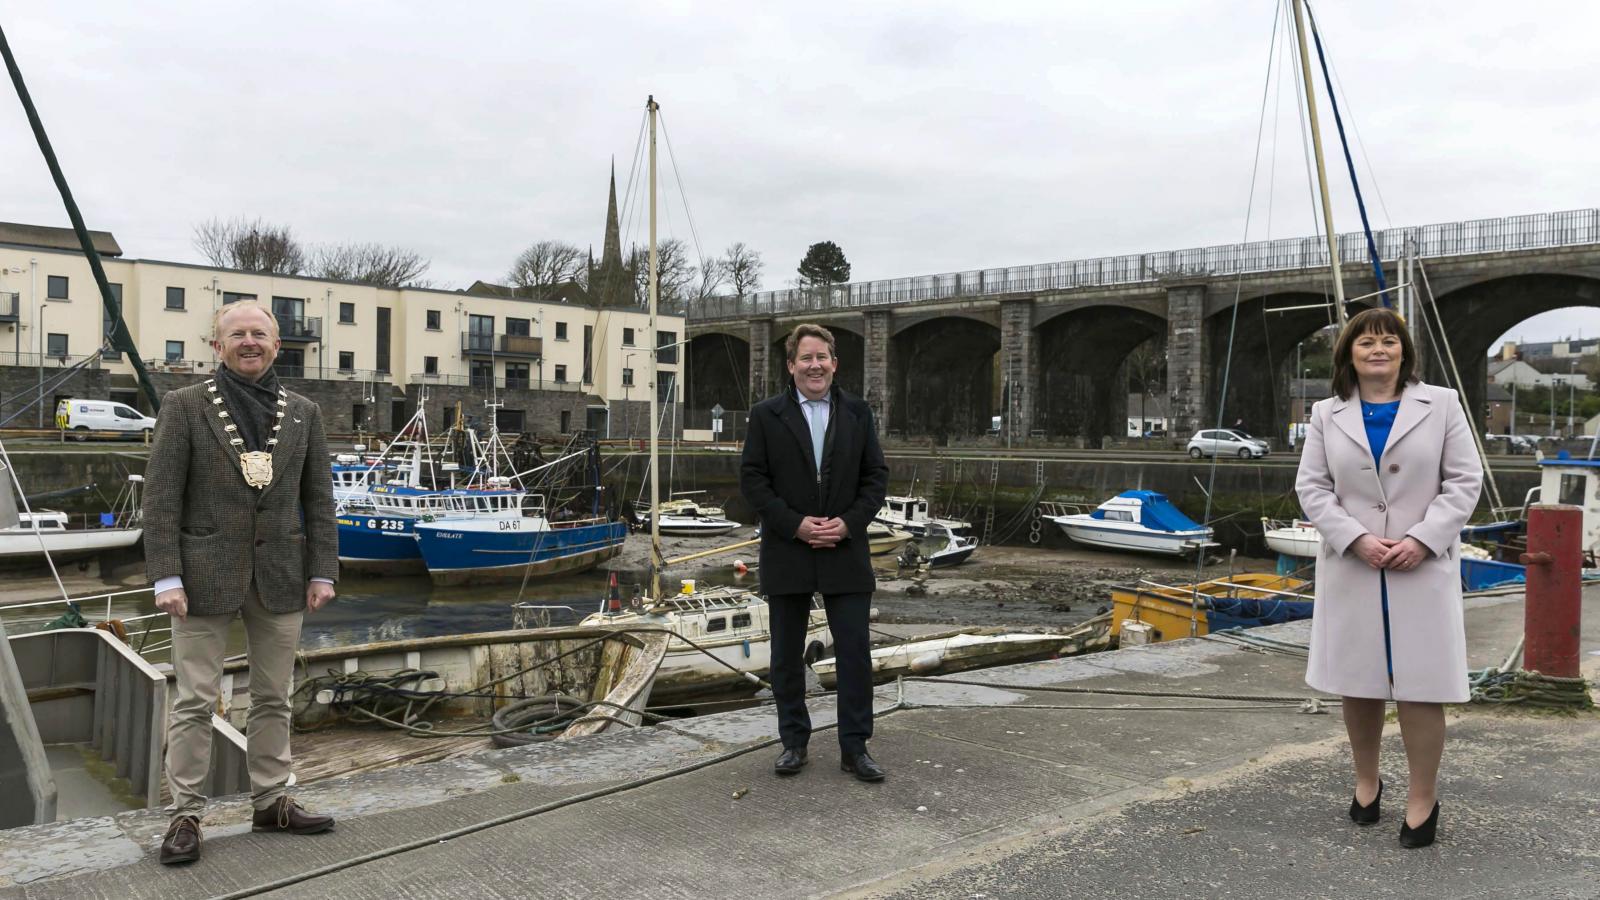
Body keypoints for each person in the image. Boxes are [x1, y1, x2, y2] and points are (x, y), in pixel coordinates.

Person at [144, 301, 339, 865]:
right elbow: (160, 501)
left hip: (281, 573)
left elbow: (318, 500)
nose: (249, 341)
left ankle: (272, 801)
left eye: (260, 334)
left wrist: (323, 568)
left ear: (278, 346)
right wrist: (166, 576)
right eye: (237, 334)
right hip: (201, 578)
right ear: (216, 345)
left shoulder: (304, 412)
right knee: (195, 703)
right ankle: (185, 815)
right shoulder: (183, 407)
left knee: (274, 697)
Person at [1296, 306, 1482, 849]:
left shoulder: (1442, 404)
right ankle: (1366, 781)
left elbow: (1464, 481)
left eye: (1389, 341)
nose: (1378, 350)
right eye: (1366, 342)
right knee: (1360, 684)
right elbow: (1313, 487)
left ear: (1404, 351)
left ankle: (1423, 796)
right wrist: (1353, 537)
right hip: (1355, 565)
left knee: (1423, 688)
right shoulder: (1327, 413)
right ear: (1348, 354)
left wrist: (1424, 539)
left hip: (1420, 566)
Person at [740, 323, 889, 782]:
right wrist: (795, 525)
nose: (815, 365)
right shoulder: (767, 415)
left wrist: (848, 523)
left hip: (845, 550)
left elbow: (875, 478)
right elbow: (753, 480)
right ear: (791, 366)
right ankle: (794, 744)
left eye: (822, 357)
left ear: (834, 363)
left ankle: (854, 748)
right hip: (789, 549)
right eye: (805, 358)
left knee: (854, 653)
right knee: (786, 654)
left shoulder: (859, 414)